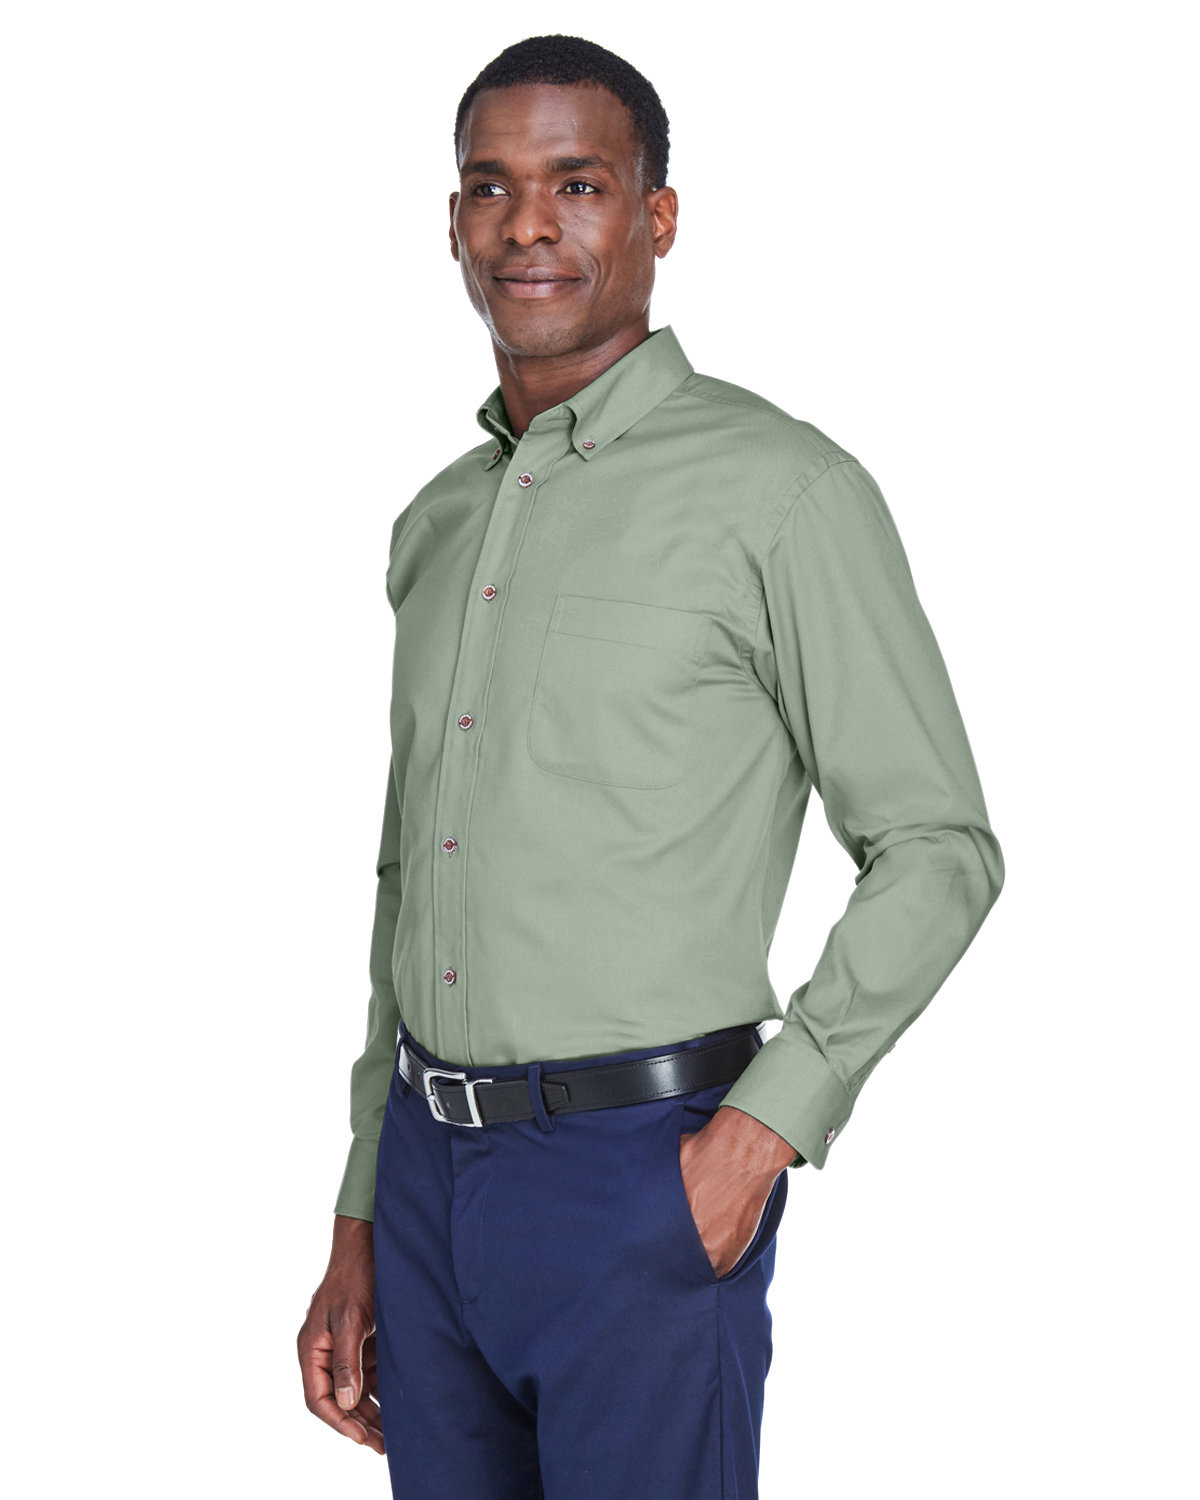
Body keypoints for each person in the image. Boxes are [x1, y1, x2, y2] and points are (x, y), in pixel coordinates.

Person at [297, 32, 1005, 1500]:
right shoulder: (436, 525)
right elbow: (408, 879)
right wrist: (364, 1208)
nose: (528, 225)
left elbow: (939, 847)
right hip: (425, 1178)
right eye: (490, 187)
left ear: (657, 217)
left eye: (578, 184)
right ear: (452, 222)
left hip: (643, 1175)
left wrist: (759, 1135)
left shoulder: (784, 491)